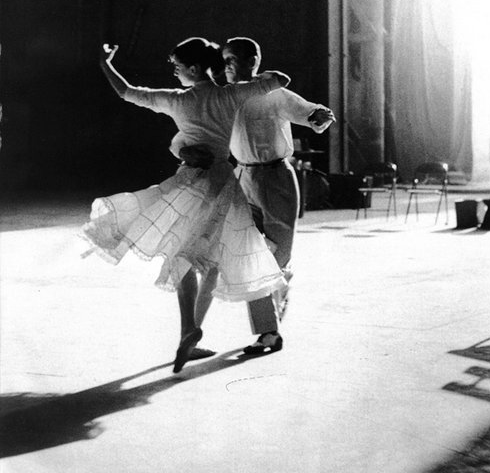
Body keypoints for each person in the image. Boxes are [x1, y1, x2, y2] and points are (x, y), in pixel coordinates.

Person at [81, 38, 290, 373]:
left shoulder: (179, 100)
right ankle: (189, 332)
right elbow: (280, 80)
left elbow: (126, 92)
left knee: (186, 256)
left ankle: (189, 330)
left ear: (193, 69)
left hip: (191, 183)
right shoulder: (228, 96)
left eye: (177, 67)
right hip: (223, 182)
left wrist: (105, 64)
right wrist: (256, 78)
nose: (175, 72)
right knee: (206, 261)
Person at [223, 36, 335, 355]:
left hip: (276, 179)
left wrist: (318, 116)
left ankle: (279, 291)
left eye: (233, 60)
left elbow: (308, 111)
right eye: (224, 60)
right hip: (242, 177)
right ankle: (268, 332)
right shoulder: (225, 97)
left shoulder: (273, 93)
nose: (227, 66)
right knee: (250, 255)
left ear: (252, 62)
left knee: (277, 256)